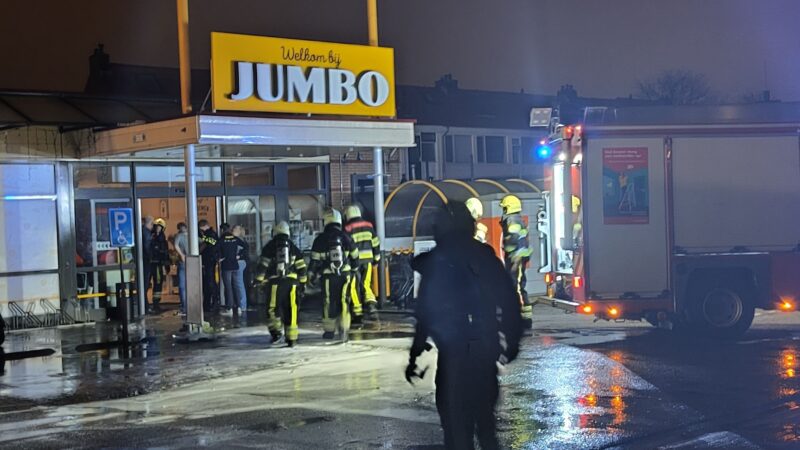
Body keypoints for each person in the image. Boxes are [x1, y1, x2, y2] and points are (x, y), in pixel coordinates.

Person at [407, 201, 522, 450]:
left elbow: (425, 311)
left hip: (453, 358)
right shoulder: (484, 256)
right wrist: (512, 342)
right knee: (486, 428)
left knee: (456, 431)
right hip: (484, 353)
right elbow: (508, 300)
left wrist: (416, 352)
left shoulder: (438, 262)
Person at [309, 208, 359, 341]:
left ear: (325, 221)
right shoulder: (346, 236)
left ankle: (329, 331)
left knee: (328, 301)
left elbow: (314, 261)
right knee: (344, 300)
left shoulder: (319, 239)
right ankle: (344, 328)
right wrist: (354, 269)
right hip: (345, 275)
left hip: (328, 277)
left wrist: (311, 276)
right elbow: (355, 256)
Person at [255, 221, 308, 346]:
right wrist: (303, 284)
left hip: (275, 283)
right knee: (292, 309)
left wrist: (258, 281)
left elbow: (263, 266)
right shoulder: (294, 247)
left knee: (272, 308)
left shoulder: (269, 247)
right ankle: (292, 338)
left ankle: (276, 333)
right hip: (292, 284)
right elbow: (302, 268)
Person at [500, 194, 534, 329]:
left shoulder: (512, 220)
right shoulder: (516, 219)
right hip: (516, 257)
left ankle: (522, 319)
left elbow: (515, 240)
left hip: (516, 258)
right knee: (515, 287)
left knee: (518, 288)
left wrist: (515, 259)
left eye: (504, 208)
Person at [343, 204, 381, 322]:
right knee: (366, 284)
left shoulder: (348, 228)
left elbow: (346, 247)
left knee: (354, 287)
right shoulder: (369, 225)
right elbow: (375, 243)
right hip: (368, 261)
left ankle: (357, 312)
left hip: (354, 262)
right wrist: (376, 259)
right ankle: (371, 306)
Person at [221, 224, 249, 315]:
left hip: (238, 263)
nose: (232, 230)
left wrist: (238, 256)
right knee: (237, 285)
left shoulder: (236, 240)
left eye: (234, 229)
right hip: (238, 262)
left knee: (237, 284)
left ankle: (240, 305)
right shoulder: (238, 239)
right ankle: (240, 306)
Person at [147, 218, 170, 314]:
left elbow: (165, 253)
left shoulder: (162, 239)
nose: (158, 229)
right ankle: (147, 304)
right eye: (156, 227)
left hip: (158, 264)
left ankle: (156, 303)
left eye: (160, 227)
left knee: (158, 283)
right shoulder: (149, 236)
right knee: (148, 283)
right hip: (150, 264)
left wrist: (167, 264)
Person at [198, 219, 220, 312]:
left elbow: (210, 245)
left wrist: (203, 240)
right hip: (208, 261)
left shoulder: (210, 234)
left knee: (210, 282)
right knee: (208, 283)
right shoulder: (208, 235)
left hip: (209, 261)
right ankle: (208, 304)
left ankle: (214, 303)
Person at [173, 222, 189, 315]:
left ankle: (184, 307)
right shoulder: (193, 235)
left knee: (182, 286)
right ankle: (189, 306)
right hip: (192, 261)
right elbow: (204, 242)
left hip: (183, 262)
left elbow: (175, 245)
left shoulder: (179, 236)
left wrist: (182, 255)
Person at [141, 216, 154, 308]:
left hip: (142, 259)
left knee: (143, 283)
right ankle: (145, 305)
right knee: (145, 283)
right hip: (145, 260)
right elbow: (147, 246)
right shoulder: (147, 232)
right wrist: (150, 257)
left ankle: (144, 304)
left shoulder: (141, 230)